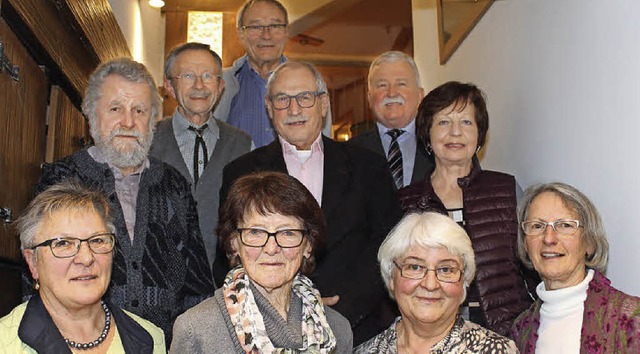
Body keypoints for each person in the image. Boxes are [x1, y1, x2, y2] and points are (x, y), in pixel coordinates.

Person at [218, 61, 402, 344]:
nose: (294, 109)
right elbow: (230, 251)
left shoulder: (369, 167)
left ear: (323, 103)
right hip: (266, 330)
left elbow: (388, 245)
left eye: (304, 97)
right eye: (282, 99)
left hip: (357, 328)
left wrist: (341, 312)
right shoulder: (241, 172)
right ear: (269, 107)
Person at [35, 58, 214, 343]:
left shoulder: (175, 185)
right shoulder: (61, 180)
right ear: (92, 114)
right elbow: (39, 272)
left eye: (139, 110)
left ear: (153, 119)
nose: (128, 122)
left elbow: (197, 286)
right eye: (115, 108)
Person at [399, 81, 536, 336]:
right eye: (443, 122)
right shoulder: (405, 201)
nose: (455, 133)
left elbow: (533, 264)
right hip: (430, 335)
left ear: (479, 134)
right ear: (427, 133)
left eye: (466, 122)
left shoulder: (506, 190)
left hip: (505, 332)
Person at [170, 171, 353, 353]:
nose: (271, 248)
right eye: (256, 232)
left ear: (308, 246)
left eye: (287, 232)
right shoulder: (196, 330)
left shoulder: (337, 330)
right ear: (234, 244)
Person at [0, 181, 166, 353]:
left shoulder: (151, 338)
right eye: (64, 243)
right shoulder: (5, 343)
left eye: (98, 240)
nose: (86, 258)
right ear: (32, 262)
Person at [151, 42, 252, 271]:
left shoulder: (244, 145)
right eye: (188, 76)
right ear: (169, 85)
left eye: (208, 76)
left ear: (220, 85)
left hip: (222, 285)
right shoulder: (146, 142)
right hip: (156, 279)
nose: (199, 85)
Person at [356, 212, 517, 353]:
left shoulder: (497, 351)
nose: (430, 284)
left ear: (464, 283)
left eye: (446, 269)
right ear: (391, 277)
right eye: (415, 267)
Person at [512, 182, 640, 353]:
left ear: (589, 242)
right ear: (526, 245)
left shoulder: (630, 319)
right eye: (537, 226)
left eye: (565, 225)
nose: (548, 239)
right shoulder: (521, 330)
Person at [213, 0, 330, 147]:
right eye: (256, 27)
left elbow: (324, 145)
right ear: (241, 33)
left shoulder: (311, 83)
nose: (266, 36)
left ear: (287, 31)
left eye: (275, 26)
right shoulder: (219, 84)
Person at [349, 51, 433, 189]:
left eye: (401, 84)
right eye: (382, 85)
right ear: (369, 99)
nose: (392, 93)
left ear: (420, 96)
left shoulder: (445, 145)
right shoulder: (349, 153)